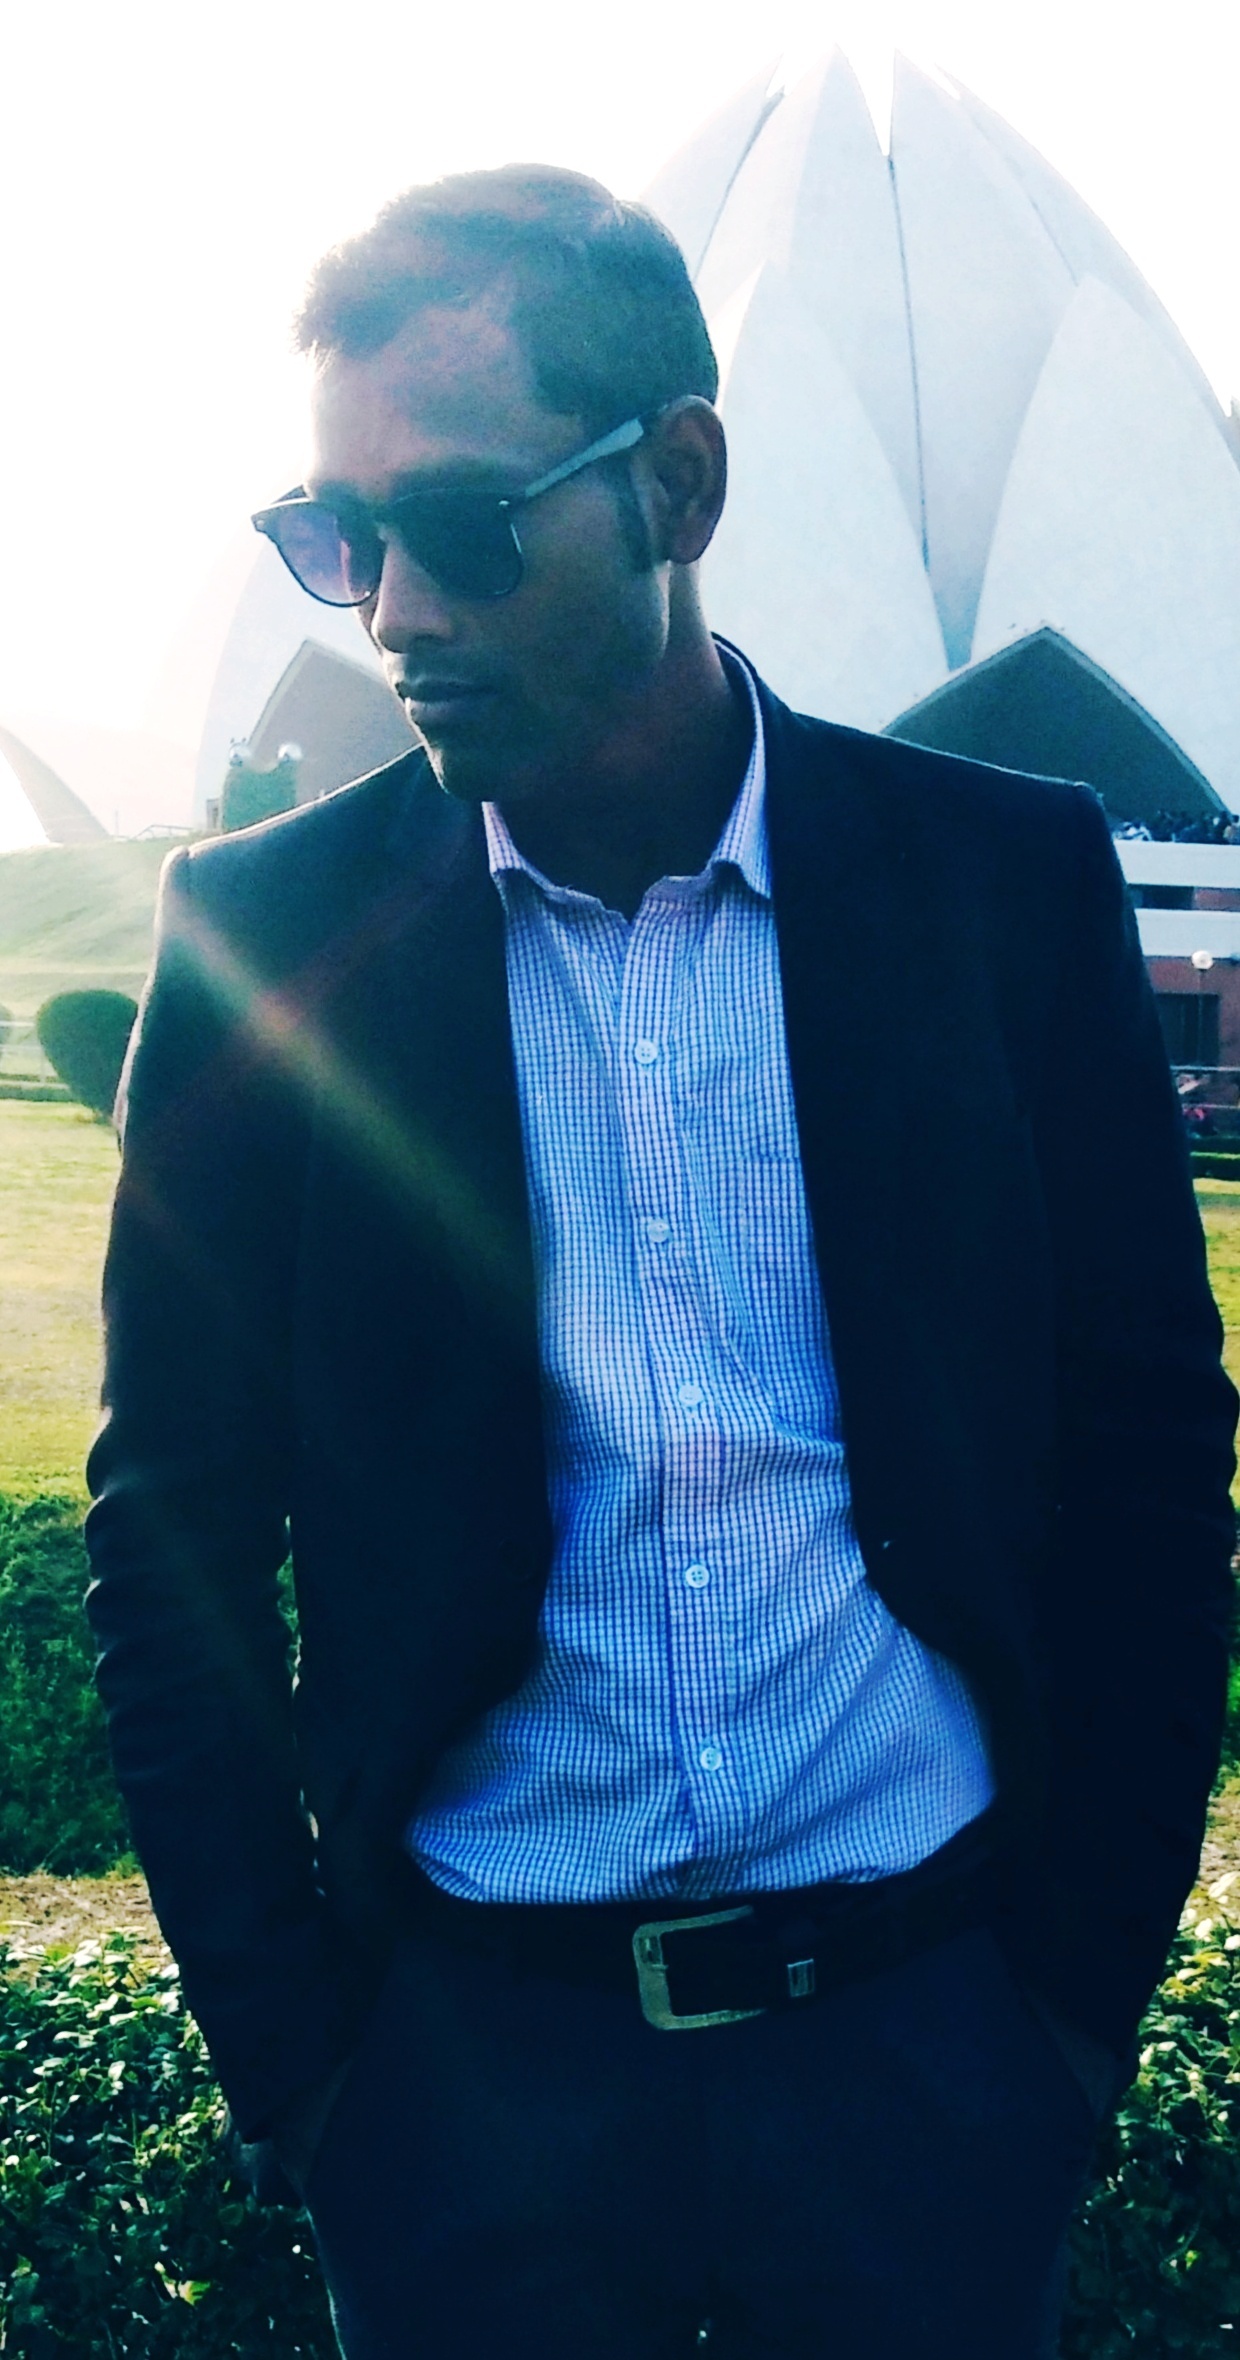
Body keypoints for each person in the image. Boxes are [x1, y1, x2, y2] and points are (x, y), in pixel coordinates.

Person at [84, 166, 1237, 2360]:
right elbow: (173, 1537)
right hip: (466, 2085)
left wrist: (1069, 2012)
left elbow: (1149, 1457)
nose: (392, 610)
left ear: (679, 484)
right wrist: (315, 2082)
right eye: (335, 538)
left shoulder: (999, 886)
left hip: (923, 2047)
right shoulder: (263, 941)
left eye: (462, 525)